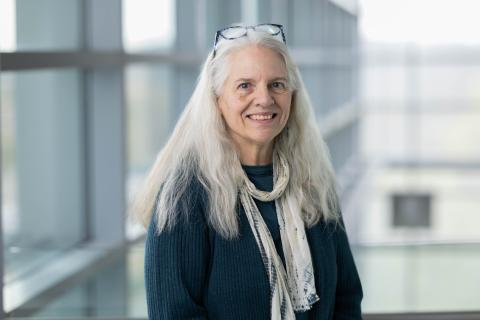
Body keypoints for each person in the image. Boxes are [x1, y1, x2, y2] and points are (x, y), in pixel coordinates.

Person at [133, 23, 363, 320]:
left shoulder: (314, 183)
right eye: (245, 85)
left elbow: (346, 299)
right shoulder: (185, 197)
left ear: (292, 95)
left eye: (277, 84)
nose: (264, 99)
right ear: (217, 99)